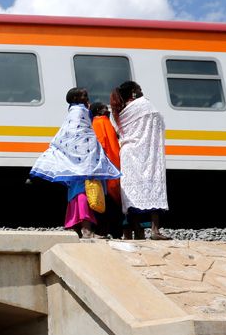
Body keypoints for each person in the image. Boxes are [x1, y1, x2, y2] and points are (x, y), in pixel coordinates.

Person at [30, 87, 121, 238]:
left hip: (77, 161)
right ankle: (86, 229)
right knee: (85, 193)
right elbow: (84, 135)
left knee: (77, 193)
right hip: (84, 161)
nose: (87, 97)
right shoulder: (81, 112)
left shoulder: (73, 112)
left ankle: (78, 228)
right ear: (76, 98)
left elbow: (73, 134)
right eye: (84, 95)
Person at [114, 81, 170, 240]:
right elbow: (158, 121)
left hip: (128, 154)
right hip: (147, 152)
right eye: (139, 89)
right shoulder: (145, 105)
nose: (142, 91)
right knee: (153, 186)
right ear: (133, 92)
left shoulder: (121, 110)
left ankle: (137, 230)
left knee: (132, 193)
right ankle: (155, 230)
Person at [90, 101, 123, 238]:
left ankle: (103, 230)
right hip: (114, 167)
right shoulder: (103, 122)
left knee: (104, 200)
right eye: (104, 108)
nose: (107, 109)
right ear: (98, 110)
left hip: (106, 169)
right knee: (113, 201)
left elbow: (100, 145)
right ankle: (115, 231)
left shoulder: (97, 123)